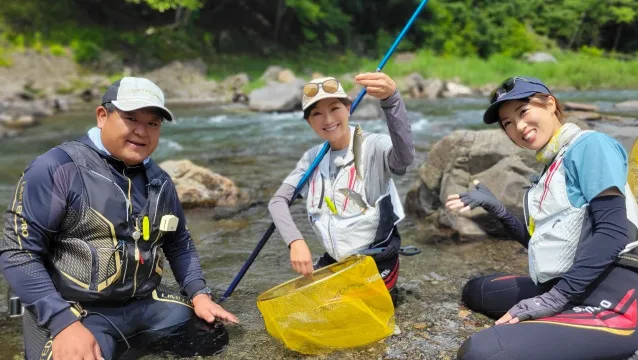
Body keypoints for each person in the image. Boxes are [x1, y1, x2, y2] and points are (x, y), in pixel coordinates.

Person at [0, 77, 239, 360]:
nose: (142, 131)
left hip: (144, 306)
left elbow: (179, 243)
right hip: (76, 310)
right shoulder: (57, 168)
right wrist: (62, 323)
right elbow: (17, 252)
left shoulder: (160, 181)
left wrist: (199, 294)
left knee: (211, 333)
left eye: (153, 123)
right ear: (103, 116)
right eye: (131, 118)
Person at [446, 76, 638, 359]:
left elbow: (614, 232)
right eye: (507, 123)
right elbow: (541, 245)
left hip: (613, 296)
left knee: (483, 352)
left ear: (550, 104)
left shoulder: (590, 145)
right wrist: (496, 208)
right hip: (567, 284)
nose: (519, 127)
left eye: (523, 112)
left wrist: (552, 300)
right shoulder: (550, 168)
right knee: (476, 291)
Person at [268, 73, 415, 303]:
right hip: (336, 262)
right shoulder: (311, 159)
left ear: (349, 108)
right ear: (309, 122)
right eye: (317, 113)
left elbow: (404, 158)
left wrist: (392, 101)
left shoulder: (375, 146)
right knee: (302, 305)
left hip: (376, 262)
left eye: (335, 108)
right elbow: (278, 202)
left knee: (344, 311)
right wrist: (295, 241)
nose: (327, 119)